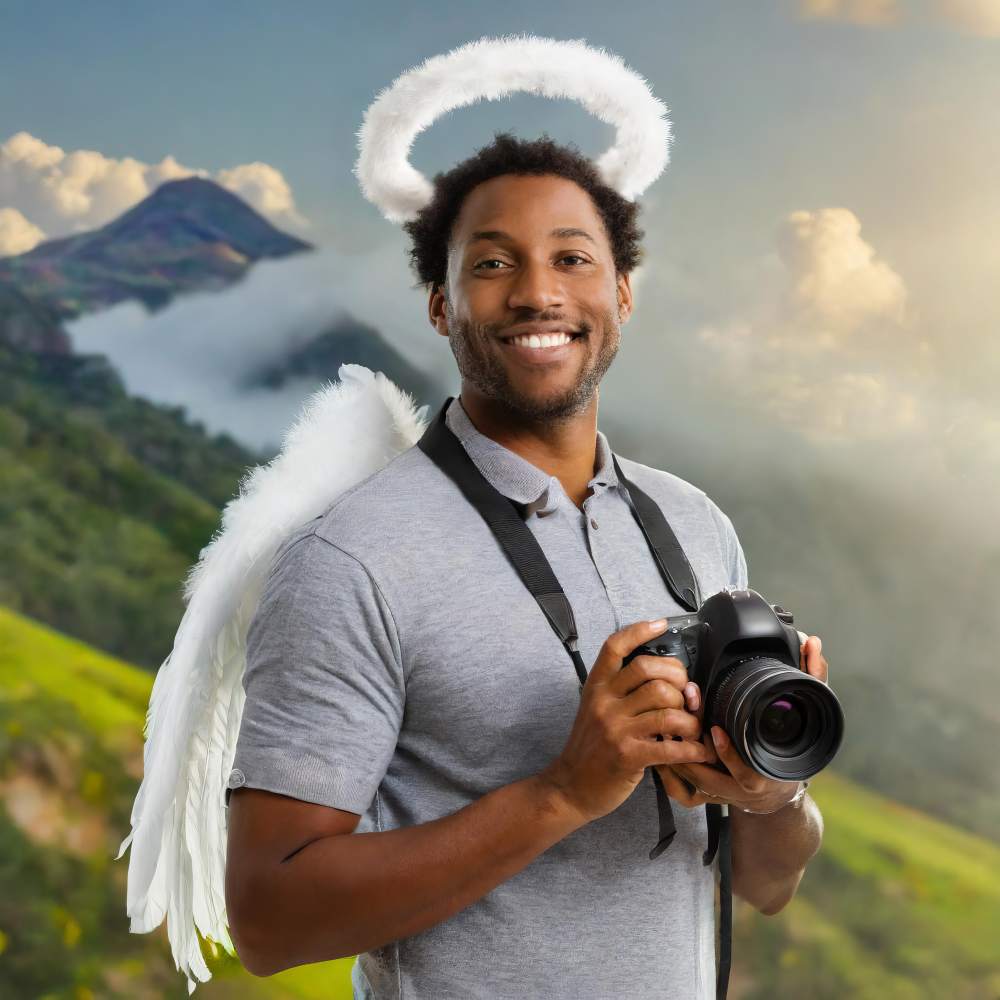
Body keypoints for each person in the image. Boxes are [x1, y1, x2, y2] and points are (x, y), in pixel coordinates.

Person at [222, 127, 830, 999]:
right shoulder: (349, 560)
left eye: (573, 259)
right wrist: (563, 794)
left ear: (622, 293)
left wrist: (774, 794)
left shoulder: (695, 527)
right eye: (493, 264)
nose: (538, 293)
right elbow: (268, 920)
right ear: (441, 304)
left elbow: (766, 883)